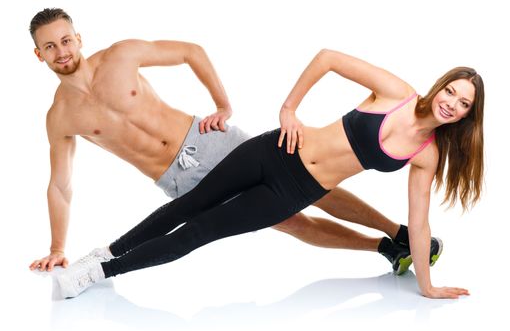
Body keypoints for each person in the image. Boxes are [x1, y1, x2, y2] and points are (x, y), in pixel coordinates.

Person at [28, 8, 438, 276]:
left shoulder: (121, 55)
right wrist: (57, 247)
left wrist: (222, 104)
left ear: (78, 37)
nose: (61, 51)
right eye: (50, 46)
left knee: (315, 182)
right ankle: (384, 247)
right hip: (177, 180)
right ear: (39, 55)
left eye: (65, 40)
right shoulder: (61, 117)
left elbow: (192, 51)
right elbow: (60, 185)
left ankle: (397, 230)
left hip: (208, 140)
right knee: (290, 222)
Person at [56, 47, 484, 300]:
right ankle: (108, 252)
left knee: (198, 232)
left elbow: (422, 219)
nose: (452, 103)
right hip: (274, 149)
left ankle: (99, 274)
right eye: (451, 91)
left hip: (295, 190)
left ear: (467, 116)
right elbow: (328, 58)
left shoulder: (427, 154)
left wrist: (427, 286)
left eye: (463, 104)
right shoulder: (397, 94)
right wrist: (289, 109)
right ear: (440, 85)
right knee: (188, 205)